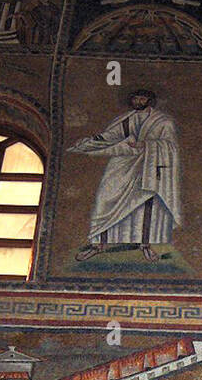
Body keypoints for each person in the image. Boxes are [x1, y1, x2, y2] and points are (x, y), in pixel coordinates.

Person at [68, 89, 181, 263]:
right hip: (123, 163)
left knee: (145, 205)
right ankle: (98, 243)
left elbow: (170, 146)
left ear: (149, 100)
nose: (138, 101)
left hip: (148, 166)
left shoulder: (163, 122)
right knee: (105, 199)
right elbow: (111, 135)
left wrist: (145, 144)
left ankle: (145, 245)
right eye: (136, 98)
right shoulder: (127, 119)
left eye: (142, 98)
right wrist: (95, 140)